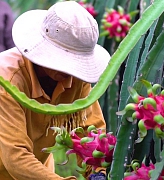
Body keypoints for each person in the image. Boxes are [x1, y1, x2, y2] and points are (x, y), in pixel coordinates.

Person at [0, 1, 110, 180]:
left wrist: (98, 172)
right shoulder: (7, 82)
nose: (70, 72)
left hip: (38, 172)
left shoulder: (77, 80)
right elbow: (16, 157)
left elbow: (91, 131)